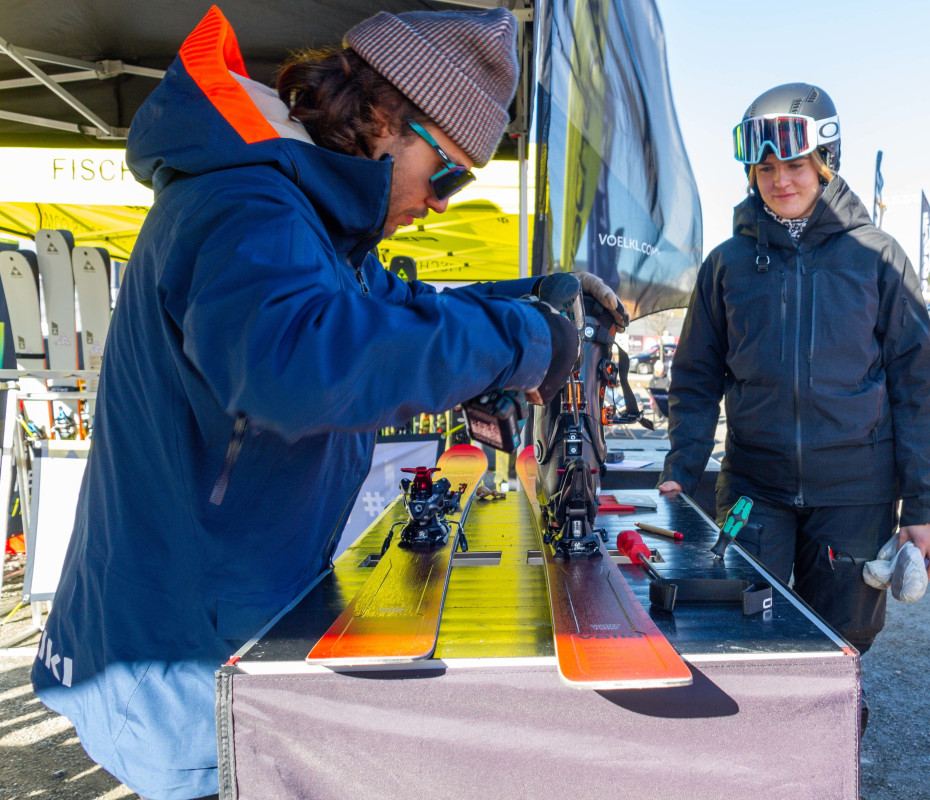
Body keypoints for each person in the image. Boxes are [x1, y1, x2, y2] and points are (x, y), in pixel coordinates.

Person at [30, 8, 624, 800]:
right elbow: (300, 362)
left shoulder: (306, 221)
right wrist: (523, 340)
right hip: (177, 653)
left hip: (216, 622)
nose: (444, 202)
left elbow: (396, 308)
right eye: (446, 171)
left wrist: (529, 300)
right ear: (383, 117)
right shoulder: (249, 204)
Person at [658, 83, 930, 687]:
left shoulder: (878, 257)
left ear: (825, 163)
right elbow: (694, 380)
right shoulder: (727, 263)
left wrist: (925, 507)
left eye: (794, 164)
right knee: (735, 614)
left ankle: (831, 738)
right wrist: (681, 470)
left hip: (854, 494)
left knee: (842, 635)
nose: (779, 179)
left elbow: (917, 387)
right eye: (764, 167)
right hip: (751, 488)